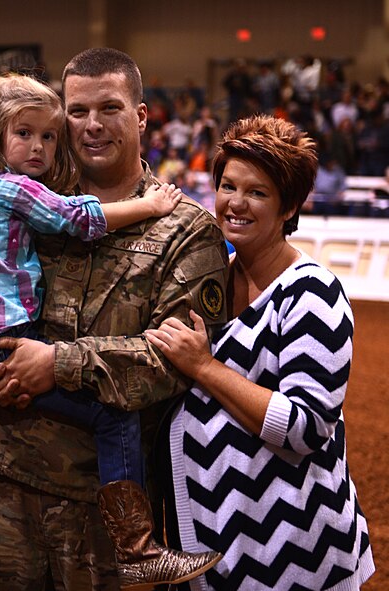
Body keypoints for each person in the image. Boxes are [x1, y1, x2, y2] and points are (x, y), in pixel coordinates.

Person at [0, 47, 229, 590]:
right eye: (77, 111)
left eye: (109, 108)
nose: (91, 125)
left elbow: (175, 362)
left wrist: (57, 365)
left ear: (140, 115)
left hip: (101, 522)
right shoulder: (19, 197)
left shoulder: (186, 230)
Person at [145, 115, 375, 591]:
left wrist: (204, 367)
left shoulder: (314, 293)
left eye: (258, 192)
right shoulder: (209, 281)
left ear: (289, 205)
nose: (236, 203)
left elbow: (306, 426)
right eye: (228, 186)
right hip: (210, 544)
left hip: (296, 556)